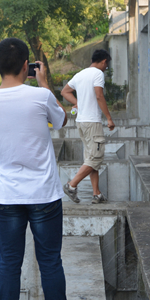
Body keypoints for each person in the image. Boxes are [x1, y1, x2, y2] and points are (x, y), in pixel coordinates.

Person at [0, 37, 75, 300]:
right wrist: (44, 83)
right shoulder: (40, 96)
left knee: (9, 262)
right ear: (26, 66)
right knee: (50, 261)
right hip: (44, 193)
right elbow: (61, 120)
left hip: (7, 195)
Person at [60, 49, 116, 204]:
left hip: (81, 122)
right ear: (104, 61)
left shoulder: (80, 74)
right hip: (92, 122)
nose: (106, 68)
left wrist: (78, 103)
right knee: (95, 157)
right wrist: (109, 118)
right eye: (106, 65)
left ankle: (96, 194)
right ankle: (71, 185)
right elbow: (99, 95)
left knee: (91, 158)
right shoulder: (98, 74)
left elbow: (65, 91)